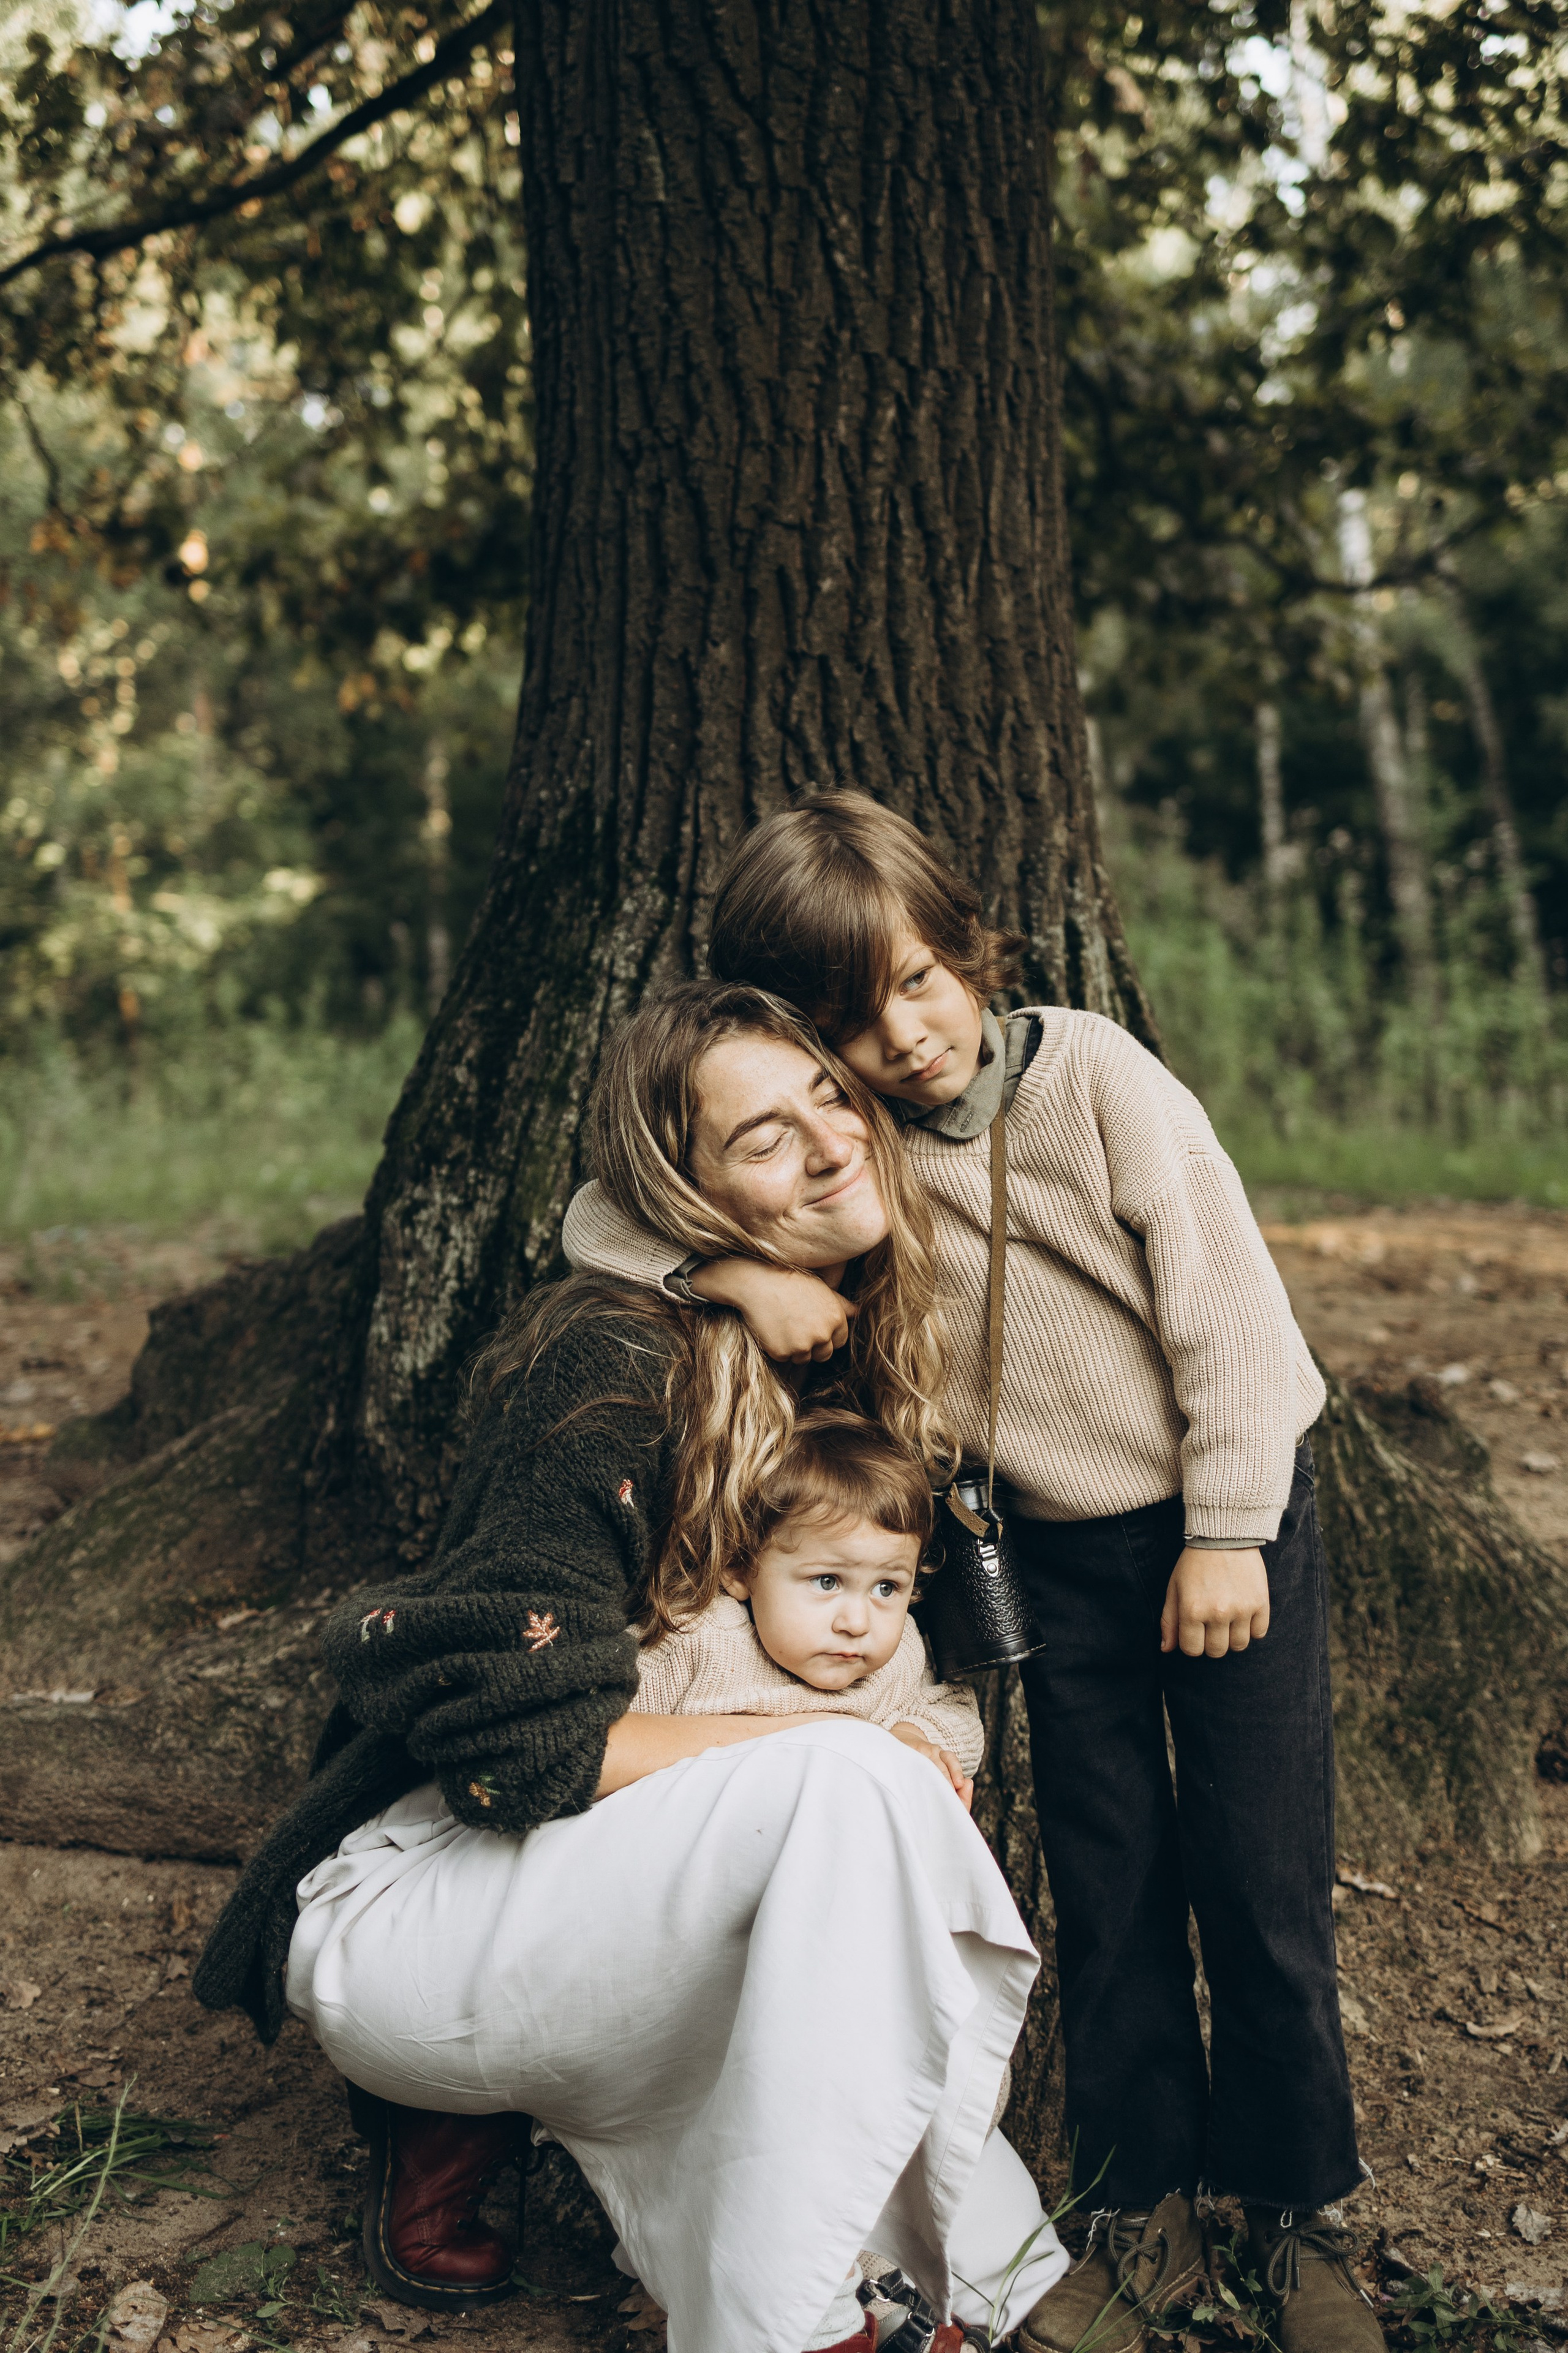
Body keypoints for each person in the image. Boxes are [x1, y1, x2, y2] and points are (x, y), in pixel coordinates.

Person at [563, 793, 1379, 2353]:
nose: (905, 1036)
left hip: (1224, 1529)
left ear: (965, 948)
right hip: (1045, 1558)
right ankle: (1138, 2197)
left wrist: (1223, 1529)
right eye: (852, 1023)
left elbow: (1232, 1318)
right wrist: (726, 1270)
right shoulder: (852, 1139)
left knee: (1258, 1873)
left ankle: (1292, 2209)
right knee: (1105, 1876)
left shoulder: (1091, 1076)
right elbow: (594, 1218)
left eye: (921, 981)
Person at [194, 980, 1068, 2353]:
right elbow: (523, 1754)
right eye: (763, 1139)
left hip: (649, 1896)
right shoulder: (608, 1368)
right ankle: (779, 2321)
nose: (829, 1143)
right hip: (431, 1902)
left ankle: (822, 2277)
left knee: (994, 2258)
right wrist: (843, 1759)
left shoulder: (864, 1359)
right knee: (855, 1789)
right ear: (687, 1196)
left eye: (830, 1096)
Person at [631, 1403, 981, 1807]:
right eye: (827, 1581)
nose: (857, 1623)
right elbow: (599, 1732)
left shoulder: (897, 1661)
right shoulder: (696, 1642)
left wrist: (910, 1736)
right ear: (739, 1568)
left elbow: (960, 1715)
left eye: (886, 1588)